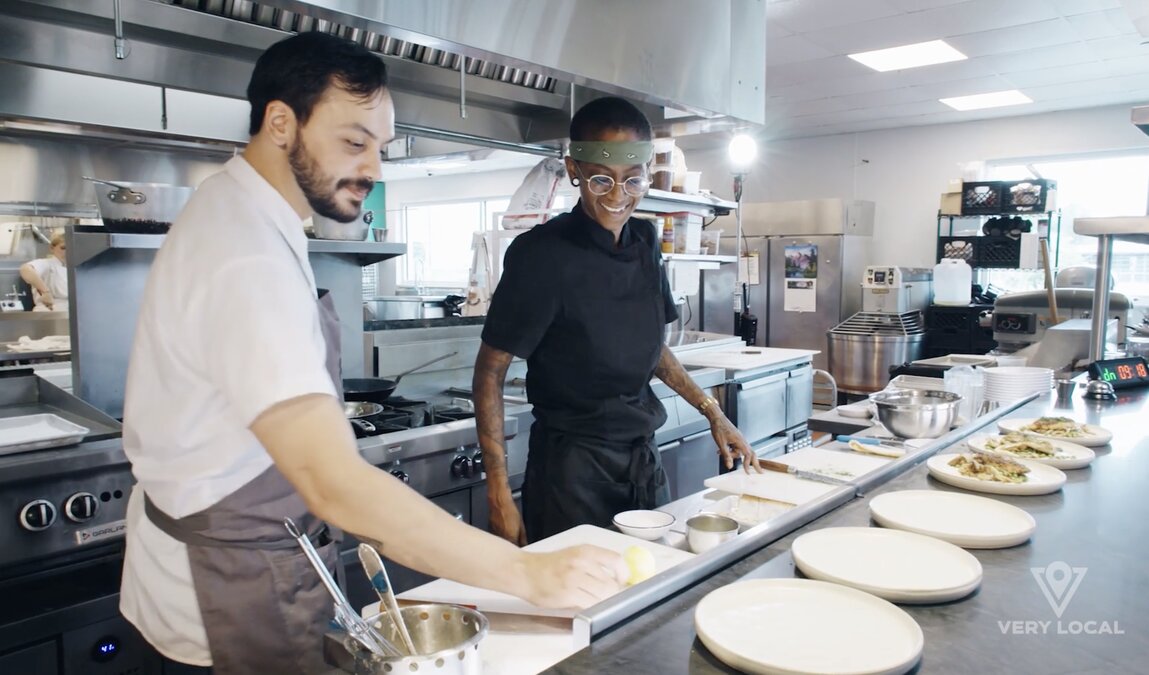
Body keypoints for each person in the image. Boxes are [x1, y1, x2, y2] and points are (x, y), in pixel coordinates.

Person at [119, 32, 626, 675]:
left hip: (241, 560)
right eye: (354, 142)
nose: (373, 169)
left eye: (380, 148)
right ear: (280, 122)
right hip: (227, 593)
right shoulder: (245, 255)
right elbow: (335, 484)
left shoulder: (242, 212)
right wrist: (526, 573)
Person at [474, 97, 759, 545]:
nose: (617, 196)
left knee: (651, 580)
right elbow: (491, 371)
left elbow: (653, 349)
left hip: (643, 461)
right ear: (575, 170)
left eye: (633, 181)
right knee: (581, 601)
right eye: (601, 180)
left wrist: (712, 411)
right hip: (571, 471)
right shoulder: (541, 255)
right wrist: (497, 490)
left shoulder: (645, 241)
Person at [19, 233, 68, 311]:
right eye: (63, 248)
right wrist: (45, 292)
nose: (67, 252)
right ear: (52, 248)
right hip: (48, 312)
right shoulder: (47, 264)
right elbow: (25, 269)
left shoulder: (75, 268)